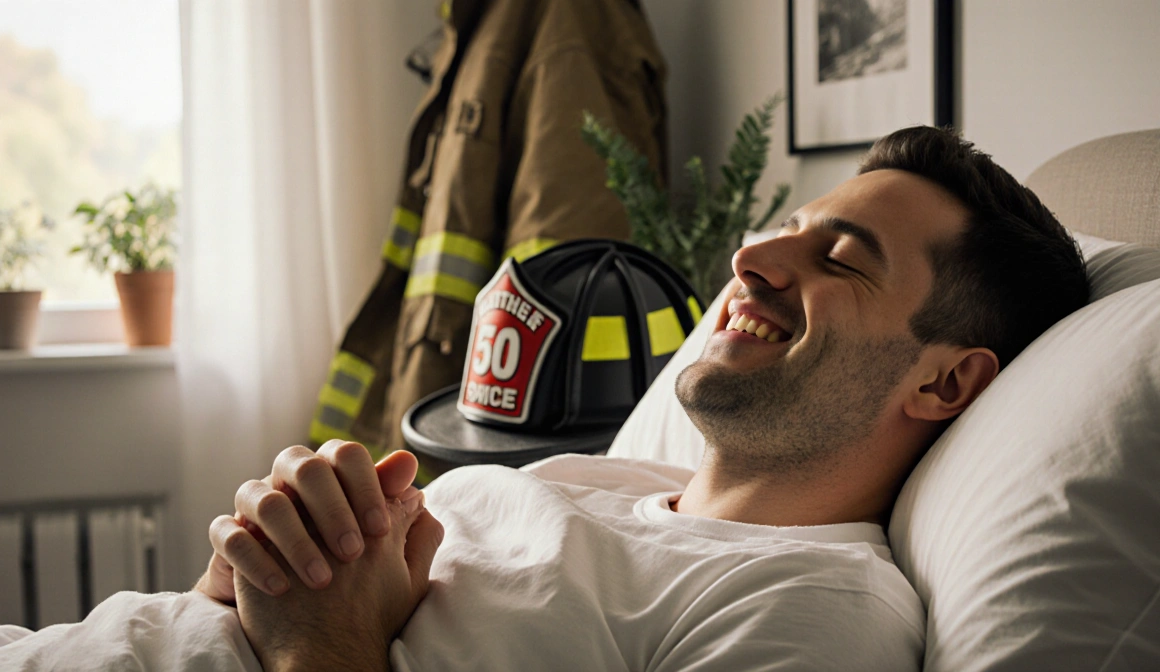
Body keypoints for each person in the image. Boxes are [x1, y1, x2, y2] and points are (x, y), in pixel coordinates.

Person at [0, 126, 1089, 671]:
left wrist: (324, 646)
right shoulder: (598, 481)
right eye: (784, 228)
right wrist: (263, 564)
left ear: (946, 377)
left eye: (840, 259)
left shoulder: (812, 615)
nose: (755, 257)